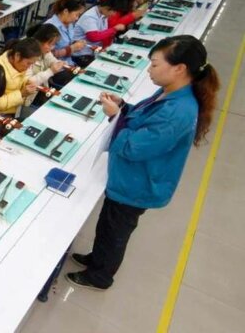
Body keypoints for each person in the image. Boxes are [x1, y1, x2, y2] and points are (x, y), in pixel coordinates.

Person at [67, 36, 220, 290]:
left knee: (115, 232)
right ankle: (97, 259)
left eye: (155, 64)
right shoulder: (169, 92)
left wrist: (115, 117)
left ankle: (100, 276)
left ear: (179, 68)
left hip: (137, 184)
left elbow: (132, 147)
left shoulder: (177, 111)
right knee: (107, 225)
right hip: (129, 177)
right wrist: (123, 108)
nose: (149, 70)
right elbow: (142, 118)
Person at [0, 38, 41, 116]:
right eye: (28, 63)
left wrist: (26, 82)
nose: (29, 67)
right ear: (17, 56)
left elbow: (18, 79)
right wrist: (21, 94)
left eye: (32, 64)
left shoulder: (17, 64)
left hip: (15, 109)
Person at [71, 0, 127, 67]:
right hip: (82, 55)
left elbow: (103, 34)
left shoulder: (102, 14)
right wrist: (114, 29)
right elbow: (94, 37)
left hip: (94, 51)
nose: (114, 14)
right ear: (107, 8)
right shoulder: (89, 16)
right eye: (114, 11)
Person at [23, 23, 65, 106]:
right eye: (50, 44)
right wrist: (51, 71)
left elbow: (52, 60)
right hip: (27, 101)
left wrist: (58, 63)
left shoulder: (44, 50)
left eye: (53, 44)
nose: (52, 48)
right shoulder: (27, 55)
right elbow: (30, 81)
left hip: (41, 93)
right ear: (38, 41)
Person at [46, 0, 86, 66]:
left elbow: (67, 42)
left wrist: (76, 44)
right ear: (66, 11)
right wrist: (71, 49)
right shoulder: (50, 27)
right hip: (56, 67)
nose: (77, 18)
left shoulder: (69, 24)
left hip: (69, 63)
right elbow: (45, 56)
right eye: (76, 15)